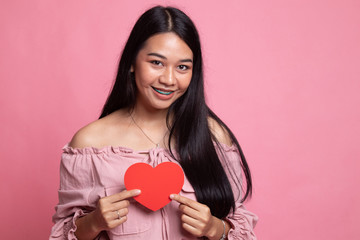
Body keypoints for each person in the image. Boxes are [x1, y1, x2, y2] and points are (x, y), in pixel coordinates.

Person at [50, 5, 258, 240]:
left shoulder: (214, 136)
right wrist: (95, 221)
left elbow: (241, 229)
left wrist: (215, 229)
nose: (169, 79)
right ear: (131, 62)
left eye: (182, 67)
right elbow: (63, 234)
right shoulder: (89, 144)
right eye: (156, 63)